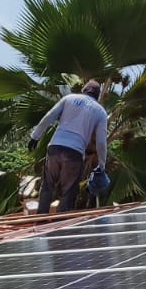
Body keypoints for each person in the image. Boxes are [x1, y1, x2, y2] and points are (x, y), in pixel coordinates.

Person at [28, 80, 109, 214]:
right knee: (69, 192)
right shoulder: (100, 112)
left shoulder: (69, 98)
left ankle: (39, 223)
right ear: (97, 96)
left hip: (55, 147)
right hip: (74, 153)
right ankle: (60, 225)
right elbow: (101, 142)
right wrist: (101, 165)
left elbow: (49, 117)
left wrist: (35, 136)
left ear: (84, 90)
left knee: (47, 186)